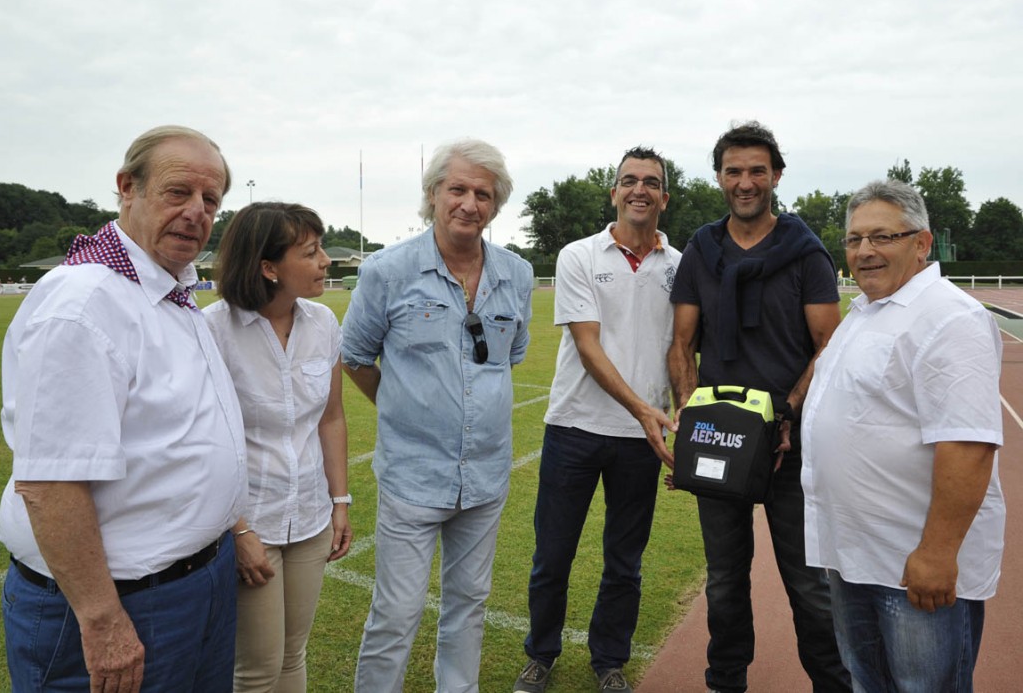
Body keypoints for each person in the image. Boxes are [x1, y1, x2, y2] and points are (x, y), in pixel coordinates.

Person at [0, 125, 246, 692]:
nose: (196, 213)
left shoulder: (167, 290)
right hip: (125, 602)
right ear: (126, 188)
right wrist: (103, 621)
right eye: (178, 192)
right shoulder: (84, 304)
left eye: (211, 201)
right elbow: (51, 483)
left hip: (196, 582)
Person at [341, 138, 533, 693]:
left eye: (483, 193)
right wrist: (401, 407)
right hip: (411, 476)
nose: (470, 203)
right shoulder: (387, 270)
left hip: (485, 475)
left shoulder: (516, 275)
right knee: (397, 614)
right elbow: (355, 356)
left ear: (495, 205)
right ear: (433, 195)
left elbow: (507, 360)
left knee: (468, 606)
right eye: (458, 189)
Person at [667, 121, 850, 693]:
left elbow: (828, 346)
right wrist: (693, 426)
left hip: (788, 447)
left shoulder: (804, 250)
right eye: (733, 171)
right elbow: (681, 345)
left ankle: (834, 683)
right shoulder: (701, 248)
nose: (744, 182)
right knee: (724, 581)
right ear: (719, 176)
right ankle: (726, 682)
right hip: (721, 439)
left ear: (776, 175)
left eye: (756, 171)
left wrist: (788, 415)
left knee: (809, 584)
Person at [802, 180, 1005, 692]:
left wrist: (937, 553)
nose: (864, 251)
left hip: (911, 566)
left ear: (921, 243)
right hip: (855, 555)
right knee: (869, 683)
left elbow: (969, 445)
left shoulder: (948, 318)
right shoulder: (867, 312)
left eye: (882, 237)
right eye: (853, 240)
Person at [514, 147, 681, 693]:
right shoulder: (579, 255)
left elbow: (684, 348)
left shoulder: (679, 265)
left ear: (664, 196)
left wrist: (685, 419)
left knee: (625, 563)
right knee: (552, 557)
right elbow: (587, 345)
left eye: (651, 182)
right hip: (575, 429)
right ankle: (540, 654)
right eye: (629, 181)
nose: (640, 190)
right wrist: (642, 409)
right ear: (614, 192)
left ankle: (609, 662)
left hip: (642, 440)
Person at [204, 202, 354, 691]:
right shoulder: (213, 331)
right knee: (257, 669)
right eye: (311, 252)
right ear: (268, 268)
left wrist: (340, 501)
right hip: (250, 524)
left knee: (292, 656)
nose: (326, 261)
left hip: (310, 516)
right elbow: (207, 441)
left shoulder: (323, 322)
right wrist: (240, 530)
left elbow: (330, 418)